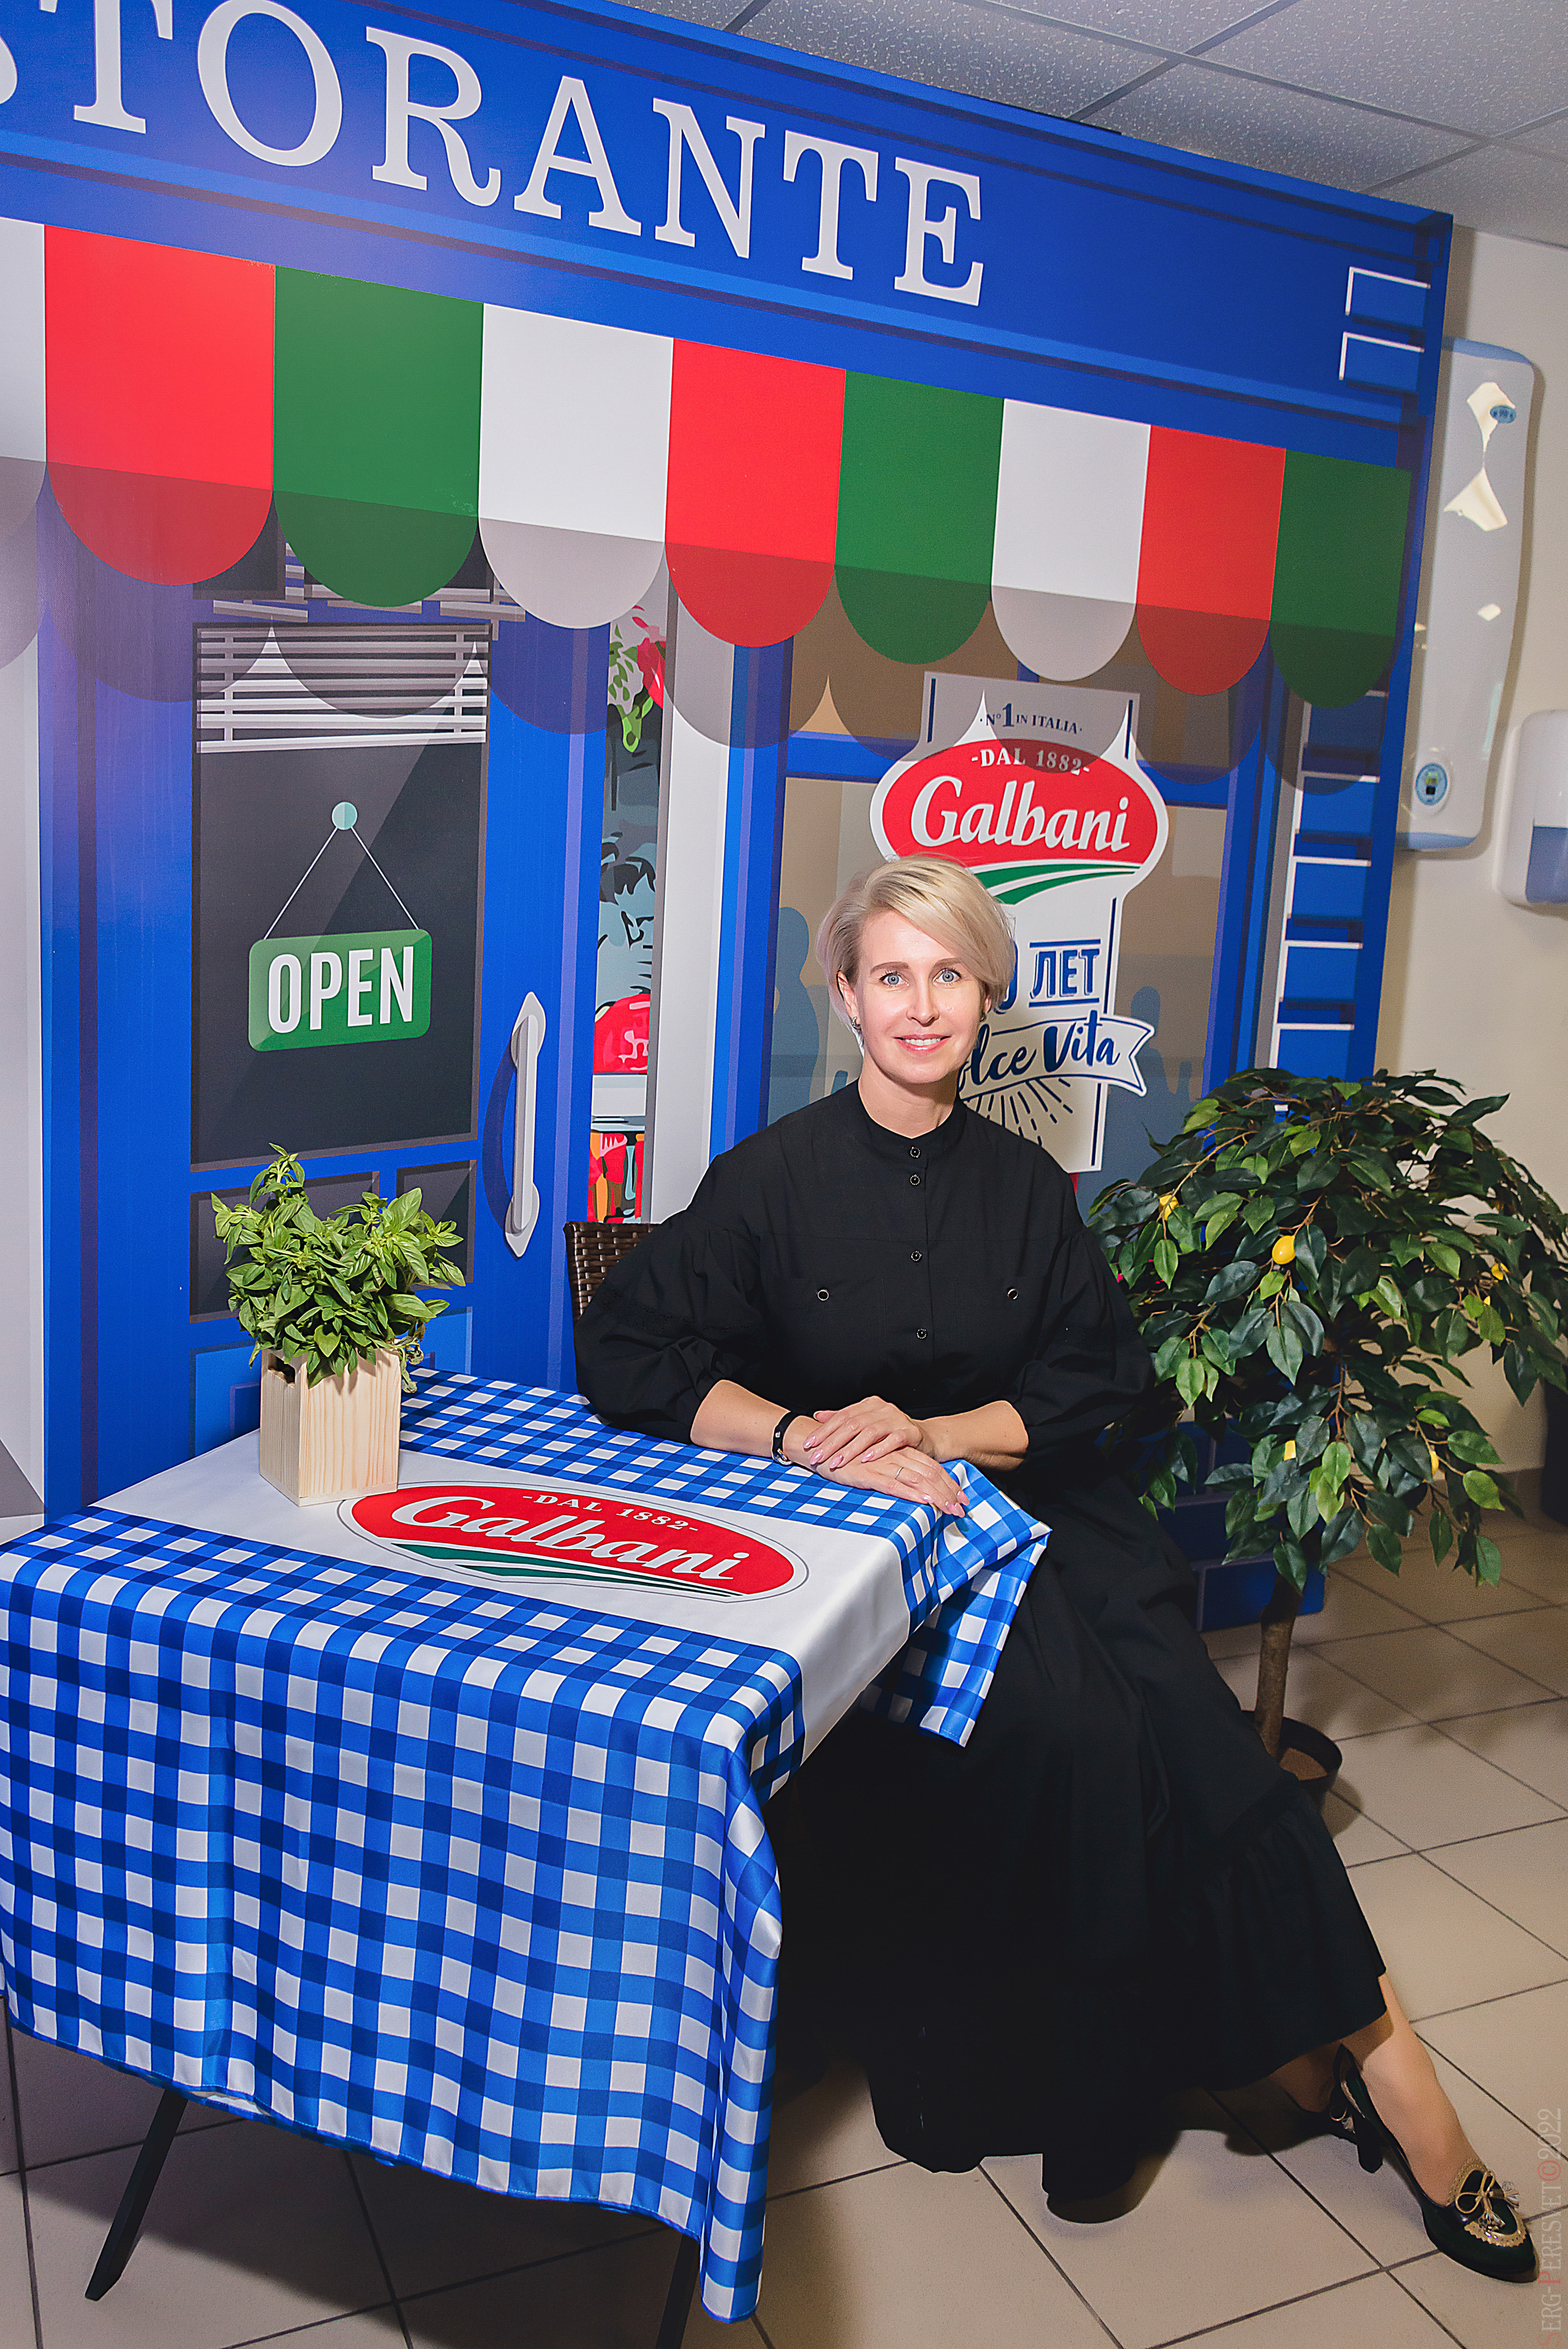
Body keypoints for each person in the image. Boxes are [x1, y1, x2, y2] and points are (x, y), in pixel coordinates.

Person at [575, 854, 1534, 2283]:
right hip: (866, 1545)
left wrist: (939, 1431)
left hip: (1046, 1511)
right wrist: (796, 1438)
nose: (918, 1004)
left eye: (946, 975)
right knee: (1080, 1732)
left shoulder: (1028, 1185)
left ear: (983, 998)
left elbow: (1101, 1391)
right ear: (842, 996)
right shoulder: (767, 1180)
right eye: (888, 975)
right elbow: (627, 1355)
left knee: (1193, 1736)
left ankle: (1386, 2075)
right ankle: (1229, 2078)